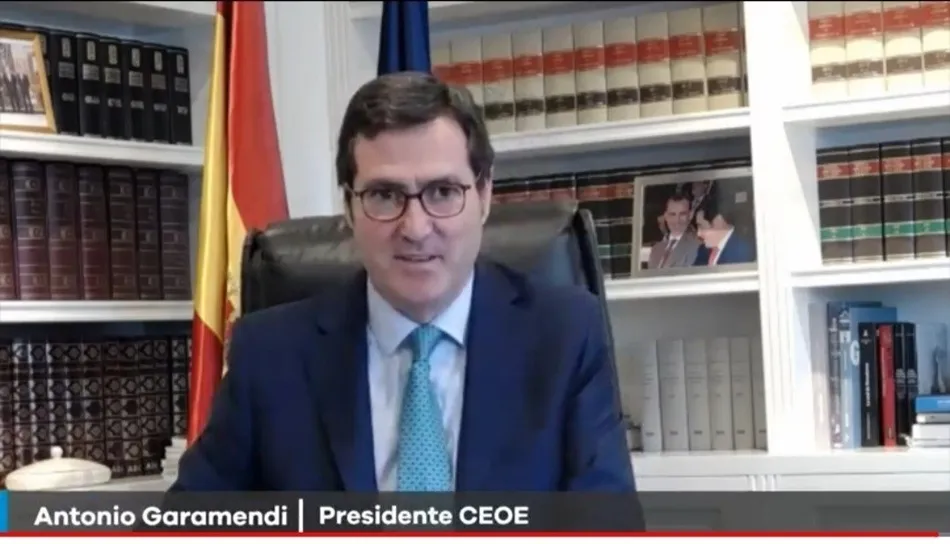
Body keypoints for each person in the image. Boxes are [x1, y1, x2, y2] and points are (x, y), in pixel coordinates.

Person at [171, 72, 637, 495]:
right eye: (384, 195)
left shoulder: (565, 337)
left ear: (484, 195)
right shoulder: (269, 355)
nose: (415, 227)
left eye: (443, 192)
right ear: (349, 208)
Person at [693, 198, 755, 266]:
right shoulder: (703, 250)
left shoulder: (742, 251)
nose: (698, 233)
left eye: (702, 227)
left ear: (718, 221)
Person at [647, 194, 701, 269]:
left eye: (682, 214)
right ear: (665, 216)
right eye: (672, 214)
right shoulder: (656, 249)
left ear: (691, 215)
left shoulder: (698, 246)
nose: (677, 220)